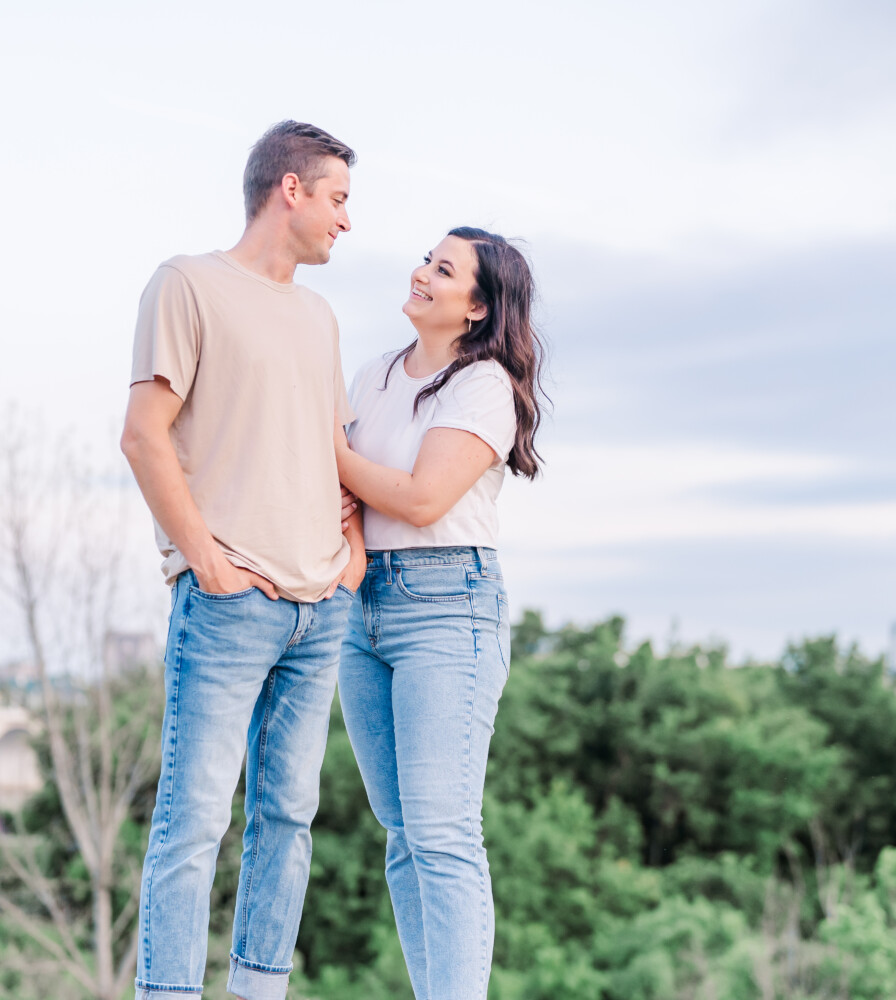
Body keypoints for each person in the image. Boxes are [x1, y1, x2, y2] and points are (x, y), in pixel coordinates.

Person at [120, 120, 366, 1000]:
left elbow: (333, 453)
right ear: (289, 189)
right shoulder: (187, 284)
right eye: (337, 199)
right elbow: (143, 437)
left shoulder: (319, 316)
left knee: (288, 819)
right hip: (229, 603)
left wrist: (354, 554)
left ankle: (259, 991)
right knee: (194, 822)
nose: (347, 221)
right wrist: (206, 566)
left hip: (320, 606)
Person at [334, 227, 546, 1000]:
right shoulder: (372, 375)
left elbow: (423, 500)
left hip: (445, 607)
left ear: (478, 305)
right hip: (363, 606)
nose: (421, 273)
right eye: (428, 259)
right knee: (402, 837)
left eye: (443, 269)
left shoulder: (482, 383)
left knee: (443, 835)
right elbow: (350, 500)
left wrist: (327, 449)